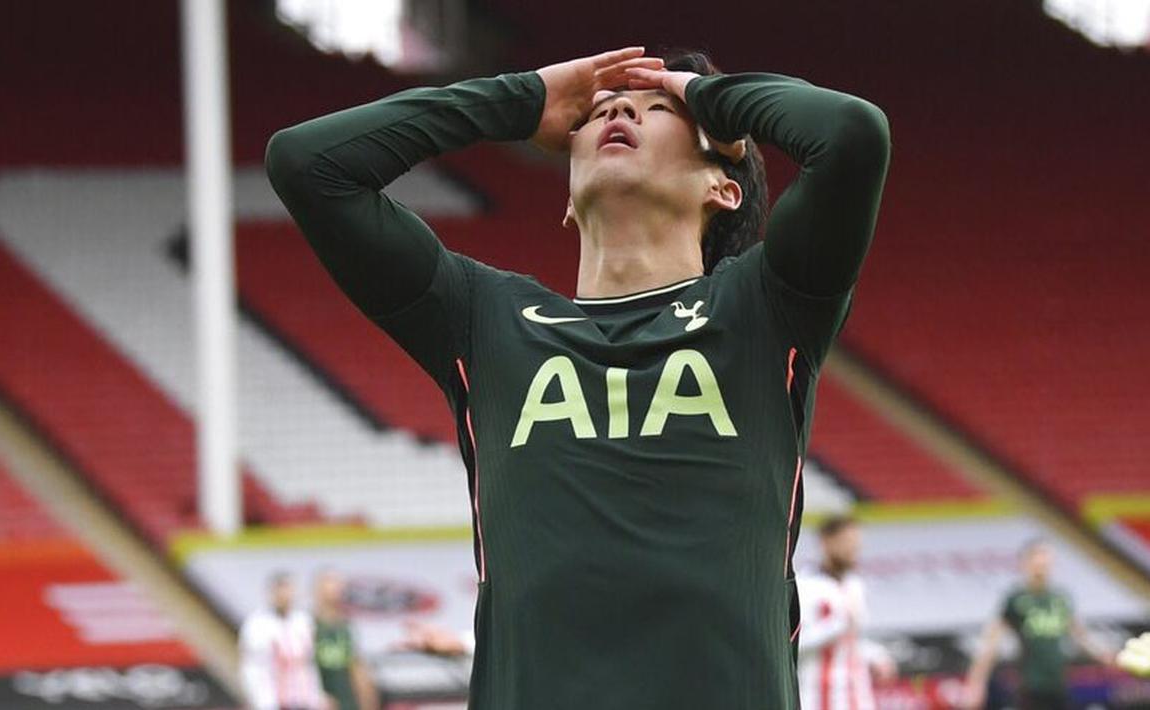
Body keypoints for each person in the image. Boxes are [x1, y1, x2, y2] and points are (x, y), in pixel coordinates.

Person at [266, 46, 890, 708]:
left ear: (722, 187)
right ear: (566, 199)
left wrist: (709, 96)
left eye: (658, 108)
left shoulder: (764, 308)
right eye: (596, 112)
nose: (619, 111)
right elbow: (308, 164)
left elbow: (850, 134)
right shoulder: (483, 319)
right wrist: (519, 99)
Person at [963, 539, 1116, 709]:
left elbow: (1081, 636)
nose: (1042, 567)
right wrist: (976, 683)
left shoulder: (1060, 598)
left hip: (1059, 685)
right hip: (1030, 687)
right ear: (1026, 564)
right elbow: (990, 644)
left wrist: (1104, 655)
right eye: (1038, 562)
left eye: (1046, 562)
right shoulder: (1016, 599)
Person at [796, 515, 895, 710]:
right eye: (847, 542)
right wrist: (839, 623)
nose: (853, 549)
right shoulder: (804, 585)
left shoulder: (854, 584)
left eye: (856, 543)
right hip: (816, 698)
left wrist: (876, 656)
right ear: (826, 542)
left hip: (857, 697)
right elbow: (796, 644)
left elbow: (851, 643)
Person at [239, 572, 327, 710]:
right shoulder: (257, 624)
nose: (284, 596)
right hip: (273, 699)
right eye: (280, 590)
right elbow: (253, 666)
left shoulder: (303, 621)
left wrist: (317, 696)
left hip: (303, 699)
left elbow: (309, 663)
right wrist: (260, 701)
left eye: (288, 590)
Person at [311, 571, 378, 710]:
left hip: (347, 702)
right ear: (317, 593)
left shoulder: (346, 627)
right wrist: (317, 696)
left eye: (338, 588)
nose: (335, 592)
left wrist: (368, 701)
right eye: (329, 588)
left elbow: (358, 669)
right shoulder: (307, 626)